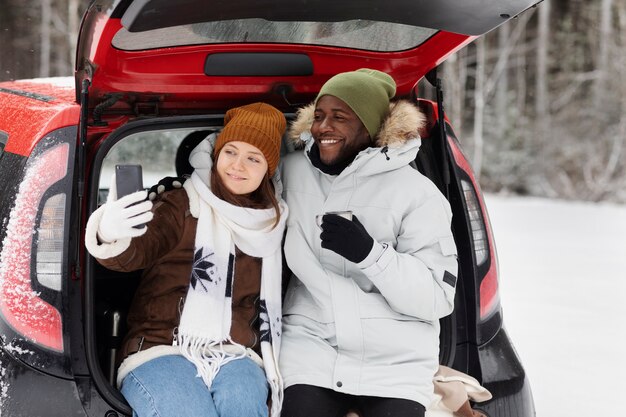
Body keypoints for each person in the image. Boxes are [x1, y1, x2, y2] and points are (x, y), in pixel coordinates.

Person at [85, 103, 288, 417]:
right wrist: (111, 233)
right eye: (230, 151)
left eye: (253, 158)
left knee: (244, 408)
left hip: (237, 353)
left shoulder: (273, 224)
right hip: (159, 347)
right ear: (217, 152)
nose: (238, 166)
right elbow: (138, 250)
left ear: (268, 168)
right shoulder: (181, 202)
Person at [278, 69, 459, 417]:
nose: (322, 127)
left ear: (371, 126)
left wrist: (371, 254)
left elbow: (437, 297)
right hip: (312, 347)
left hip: (396, 358)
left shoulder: (418, 194)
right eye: (318, 116)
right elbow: (234, 173)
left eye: (339, 117)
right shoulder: (291, 172)